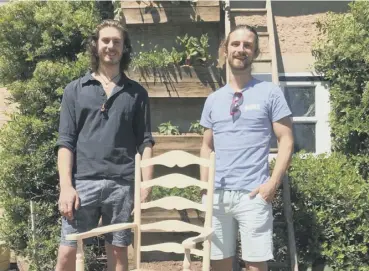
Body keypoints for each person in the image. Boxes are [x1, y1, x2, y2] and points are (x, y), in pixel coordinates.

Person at [55, 20, 154, 271]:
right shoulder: (75, 90)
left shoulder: (137, 93)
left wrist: (146, 184)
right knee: (67, 253)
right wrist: (66, 187)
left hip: (122, 185)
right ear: (96, 45)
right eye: (105, 40)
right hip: (82, 185)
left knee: (119, 255)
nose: (111, 46)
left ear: (124, 48)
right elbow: (65, 143)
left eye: (117, 42)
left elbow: (145, 142)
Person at [199, 24, 294, 271]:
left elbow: (286, 140)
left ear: (256, 52)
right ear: (225, 50)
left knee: (255, 265)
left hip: (254, 194)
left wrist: (272, 184)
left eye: (247, 45)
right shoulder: (213, 99)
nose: (241, 50)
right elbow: (206, 147)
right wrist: (204, 191)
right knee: (218, 264)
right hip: (217, 195)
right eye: (236, 44)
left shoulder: (270, 93)